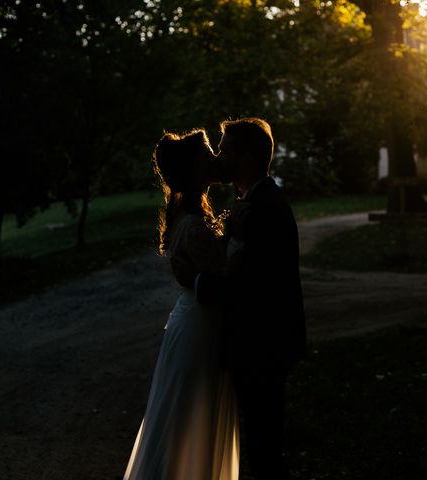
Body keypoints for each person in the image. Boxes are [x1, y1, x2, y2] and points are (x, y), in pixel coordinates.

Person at [181, 118, 306, 480]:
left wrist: (198, 282)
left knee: (264, 449)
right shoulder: (253, 201)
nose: (219, 156)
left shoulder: (264, 209)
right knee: (261, 445)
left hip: (264, 342)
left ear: (248, 158)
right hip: (262, 340)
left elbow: (252, 287)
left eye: (225, 149)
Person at [123, 129, 239, 480]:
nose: (215, 159)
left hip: (195, 323)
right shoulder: (191, 225)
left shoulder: (192, 216)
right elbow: (230, 278)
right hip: (198, 331)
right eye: (207, 155)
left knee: (190, 421)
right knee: (188, 422)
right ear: (194, 170)